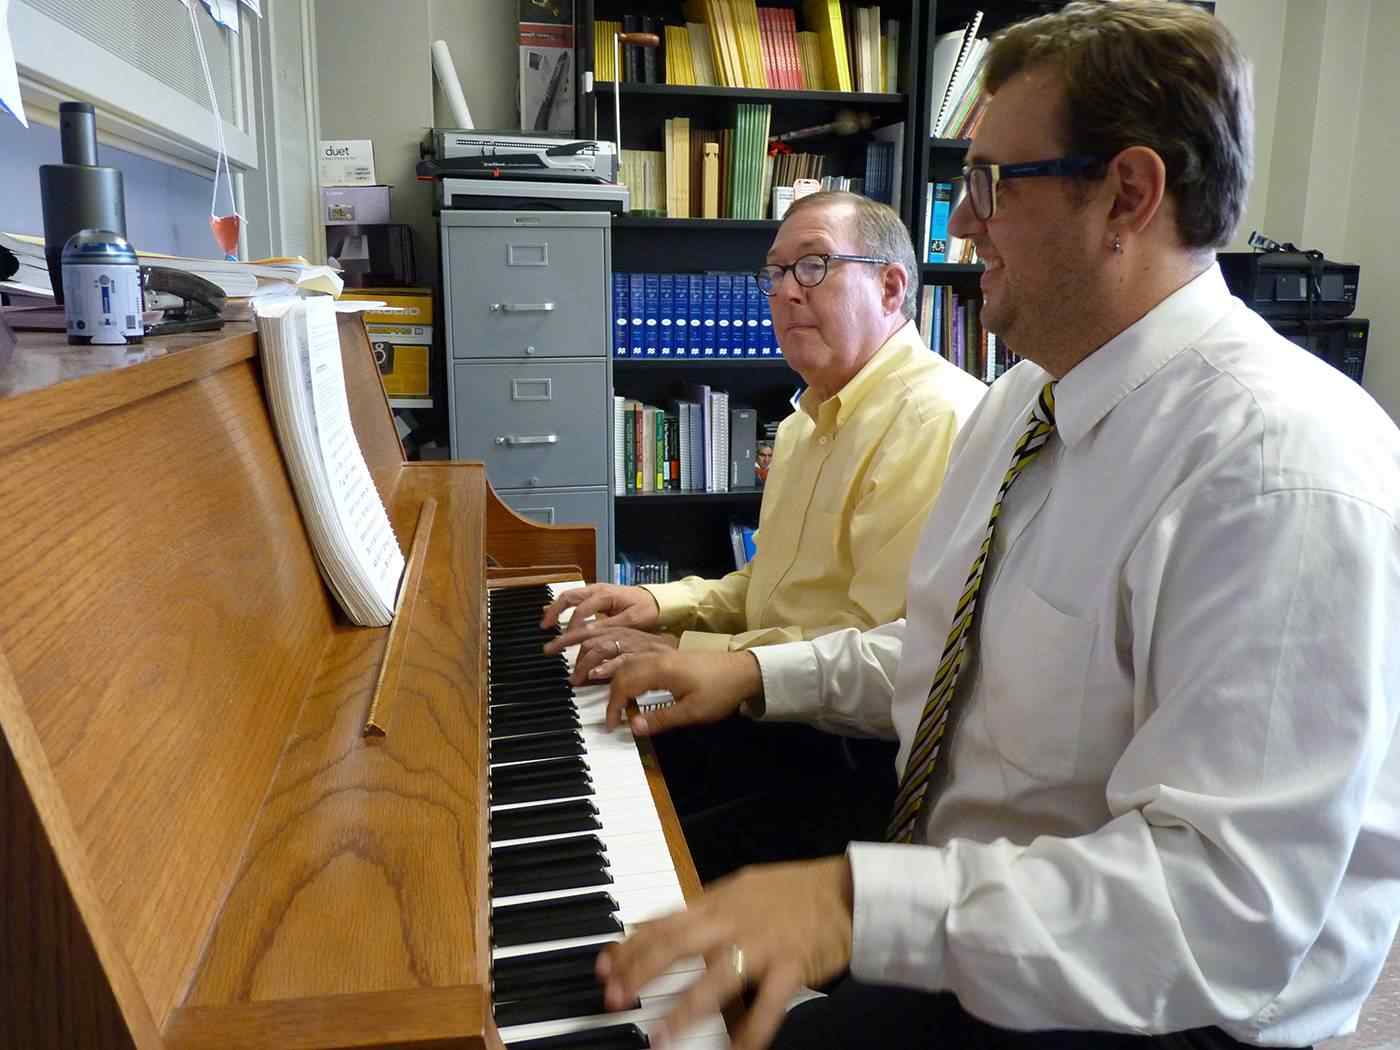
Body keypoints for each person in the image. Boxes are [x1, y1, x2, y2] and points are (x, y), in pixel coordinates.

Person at [591, 3, 1400, 1049]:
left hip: (1172, 1003)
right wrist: (755, 676)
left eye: (985, 185)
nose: (960, 226)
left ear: (1126, 194)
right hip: (975, 898)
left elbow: (1223, 912)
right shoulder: (1022, 404)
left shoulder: (1279, 469)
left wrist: (854, 904)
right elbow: (942, 666)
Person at [541, 192, 987, 877]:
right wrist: (662, 606)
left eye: (812, 267)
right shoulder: (810, 415)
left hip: (847, 756)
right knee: (577, 754)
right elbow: (773, 582)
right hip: (775, 711)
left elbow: (875, 648)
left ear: (891, 286)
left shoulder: (932, 419)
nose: (783, 293)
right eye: (774, 273)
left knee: (597, 853)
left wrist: (681, 647)